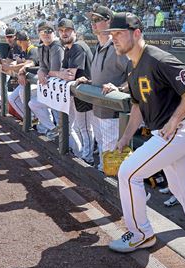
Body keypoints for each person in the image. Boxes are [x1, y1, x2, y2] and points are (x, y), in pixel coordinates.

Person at [104, 12, 185, 252]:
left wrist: (175, 119)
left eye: (119, 33)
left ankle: (140, 233)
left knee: (128, 173)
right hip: (171, 132)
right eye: (112, 34)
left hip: (177, 130)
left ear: (137, 33)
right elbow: (137, 105)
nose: (114, 38)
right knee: (181, 187)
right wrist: (126, 137)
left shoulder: (156, 58)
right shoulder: (132, 65)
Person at [76, 6, 130, 171]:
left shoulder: (117, 47)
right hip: (97, 110)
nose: (93, 23)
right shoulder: (98, 48)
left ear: (109, 22)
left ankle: (124, 193)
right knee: (103, 155)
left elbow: (135, 76)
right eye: (92, 20)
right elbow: (104, 77)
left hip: (113, 115)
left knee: (113, 160)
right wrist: (89, 81)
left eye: (98, 19)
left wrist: (119, 89)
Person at [51, 18, 94, 163]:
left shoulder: (78, 46)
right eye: (61, 31)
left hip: (88, 94)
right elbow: (62, 72)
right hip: (78, 93)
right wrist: (58, 74)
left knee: (85, 128)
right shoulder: (69, 49)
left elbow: (69, 75)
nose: (64, 33)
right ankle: (84, 154)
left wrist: (56, 74)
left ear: (74, 31)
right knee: (79, 127)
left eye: (67, 30)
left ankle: (88, 158)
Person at [28, 21, 64, 137]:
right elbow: (43, 67)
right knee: (33, 103)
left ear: (54, 33)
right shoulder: (42, 47)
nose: (46, 34)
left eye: (49, 31)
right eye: (42, 31)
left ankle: (71, 150)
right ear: (39, 34)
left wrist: (43, 72)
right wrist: (40, 70)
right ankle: (52, 129)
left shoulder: (57, 46)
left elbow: (55, 70)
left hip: (62, 90)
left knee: (67, 124)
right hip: (52, 89)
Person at [6, 30, 39, 119]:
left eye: (17, 41)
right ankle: (31, 119)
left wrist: (11, 68)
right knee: (12, 98)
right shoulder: (25, 50)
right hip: (28, 82)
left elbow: (28, 64)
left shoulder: (33, 50)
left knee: (27, 98)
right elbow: (18, 61)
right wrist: (13, 64)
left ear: (20, 41)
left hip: (36, 84)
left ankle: (33, 119)